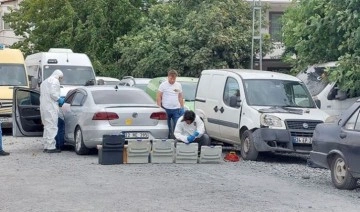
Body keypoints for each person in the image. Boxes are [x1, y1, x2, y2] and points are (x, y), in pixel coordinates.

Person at [40, 69, 65, 153]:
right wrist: (59, 99)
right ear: (59, 76)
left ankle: (46, 146)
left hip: (44, 107)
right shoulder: (54, 81)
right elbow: (53, 94)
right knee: (52, 126)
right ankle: (51, 147)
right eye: (61, 78)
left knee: (47, 126)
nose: (60, 80)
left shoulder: (44, 82)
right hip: (51, 107)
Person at [157, 69, 185, 138]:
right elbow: (159, 96)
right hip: (166, 109)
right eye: (171, 78)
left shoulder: (178, 85)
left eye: (174, 79)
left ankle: (177, 138)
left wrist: (182, 107)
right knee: (167, 126)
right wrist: (159, 107)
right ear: (168, 77)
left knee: (177, 125)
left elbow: (180, 96)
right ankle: (168, 138)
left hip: (176, 109)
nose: (172, 80)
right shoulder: (163, 85)